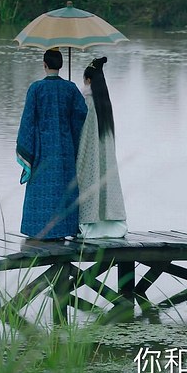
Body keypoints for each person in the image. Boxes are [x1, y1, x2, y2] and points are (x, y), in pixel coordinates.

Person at [16, 48, 88, 240]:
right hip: (65, 148)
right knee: (63, 187)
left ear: (44, 64)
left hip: (42, 149)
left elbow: (28, 122)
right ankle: (64, 229)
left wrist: (28, 149)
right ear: (61, 65)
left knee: (41, 187)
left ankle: (38, 230)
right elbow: (82, 113)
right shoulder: (70, 88)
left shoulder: (36, 88)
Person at [76, 56, 128, 238]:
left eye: (84, 80)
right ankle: (113, 225)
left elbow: (82, 132)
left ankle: (90, 225)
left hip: (90, 155)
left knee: (90, 181)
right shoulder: (105, 104)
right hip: (106, 157)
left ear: (88, 80)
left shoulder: (87, 102)